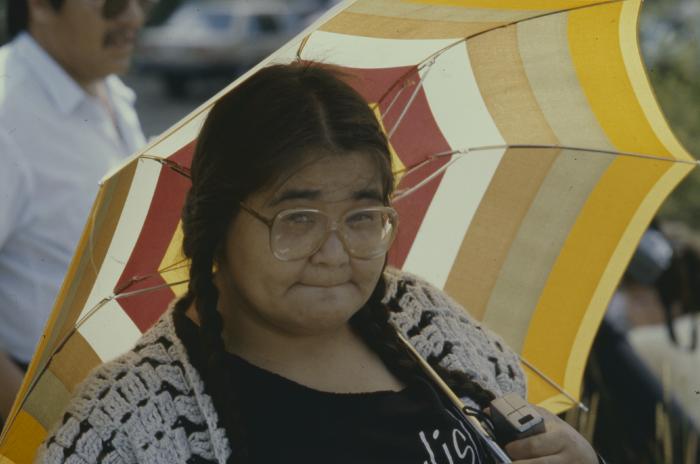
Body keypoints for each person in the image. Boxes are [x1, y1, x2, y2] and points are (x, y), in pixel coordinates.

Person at [37, 63, 600, 463]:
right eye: (298, 218)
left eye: (362, 218)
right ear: (216, 225)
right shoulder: (128, 427)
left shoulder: (427, 323)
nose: (334, 255)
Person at [0, 0, 149, 423]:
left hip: (114, 396)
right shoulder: (6, 110)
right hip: (49, 407)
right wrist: (38, 431)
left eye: (144, 2)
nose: (134, 19)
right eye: (115, 5)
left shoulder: (107, 87)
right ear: (42, 6)